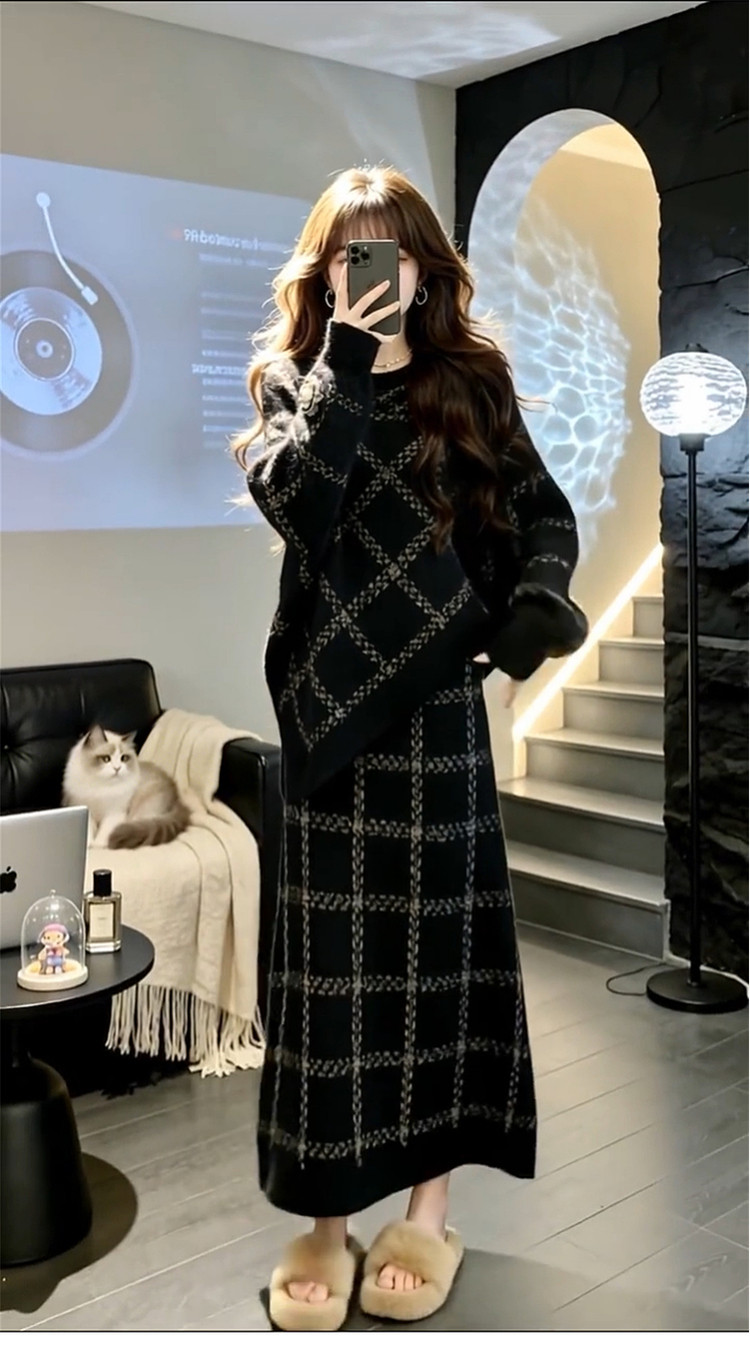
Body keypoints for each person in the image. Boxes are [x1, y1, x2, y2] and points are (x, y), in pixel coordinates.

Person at [234, 165, 588, 1331]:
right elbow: (300, 506)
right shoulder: (293, 382)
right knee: (332, 981)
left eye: (390, 252)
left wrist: (532, 607)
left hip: (437, 714)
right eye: (351, 253)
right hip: (329, 721)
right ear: (325, 270)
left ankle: (429, 1212)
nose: (371, 273)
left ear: (427, 267)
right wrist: (344, 354)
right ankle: (325, 1219)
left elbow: (544, 515)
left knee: (439, 969)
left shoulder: (469, 383)